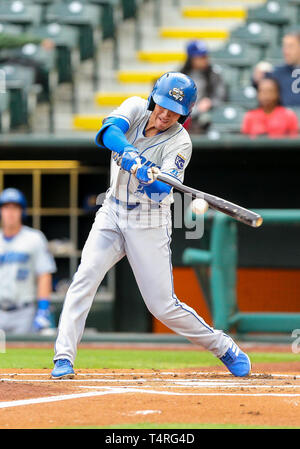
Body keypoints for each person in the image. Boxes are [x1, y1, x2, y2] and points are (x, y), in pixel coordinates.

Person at [51, 72, 251, 380]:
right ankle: (64, 357)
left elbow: (161, 191)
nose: (166, 113)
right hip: (112, 212)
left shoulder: (181, 143)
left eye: (174, 111)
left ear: (184, 115)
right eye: (163, 105)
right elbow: (107, 133)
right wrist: (130, 154)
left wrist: (149, 178)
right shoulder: (133, 107)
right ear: (153, 99)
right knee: (85, 278)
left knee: (162, 306)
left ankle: (223, 346)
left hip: (149, 220)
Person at [0, 188, 57, 334]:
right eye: (6, 207)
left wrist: (43, 309)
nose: (10, 212)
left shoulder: (34, 238)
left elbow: (44, 274)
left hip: (24, 312)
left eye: (15, 208)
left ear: (22, 211)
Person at [180, 40, 227, 132]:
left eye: (205, 56)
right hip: (185, 117)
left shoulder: (213, 74)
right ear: (192, 58)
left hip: (206, 117)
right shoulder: (181, 76)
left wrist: (210, 102)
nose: (205, 59)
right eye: (201, 57)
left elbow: (221, 95)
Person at [266, 32, 300, 107]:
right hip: (285, 116)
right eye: (284, 47)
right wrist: (256, 77)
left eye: (291, 46)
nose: (286, 51)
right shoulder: (277, 72)